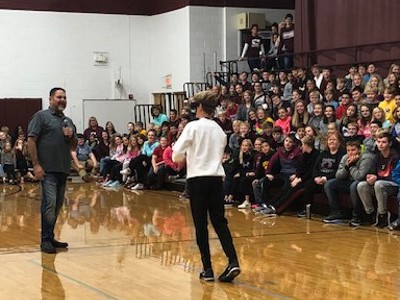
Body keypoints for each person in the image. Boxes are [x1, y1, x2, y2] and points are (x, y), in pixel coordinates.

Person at [172, 91, 240, 282]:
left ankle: (207, 269)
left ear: (200, 107)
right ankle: (233, 260)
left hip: (197, 180)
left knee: (201, 225)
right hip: (216, 179)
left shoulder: (192, 127)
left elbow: (176, 154)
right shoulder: (219, 129)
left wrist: (183, 157)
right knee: (220, 222)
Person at [27, 87, 77, 253]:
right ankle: (45, 240)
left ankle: (50, 236)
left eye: (64, 97)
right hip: (47, 169)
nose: (62, 100)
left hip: (63, 169)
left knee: (57, 206)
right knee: (49, 205)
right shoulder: (41, 117)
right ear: (50, 99)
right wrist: (36, 165)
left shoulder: (68, 121)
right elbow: (31, 140)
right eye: (59, 97)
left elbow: (74, 146)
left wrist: (71, 136)